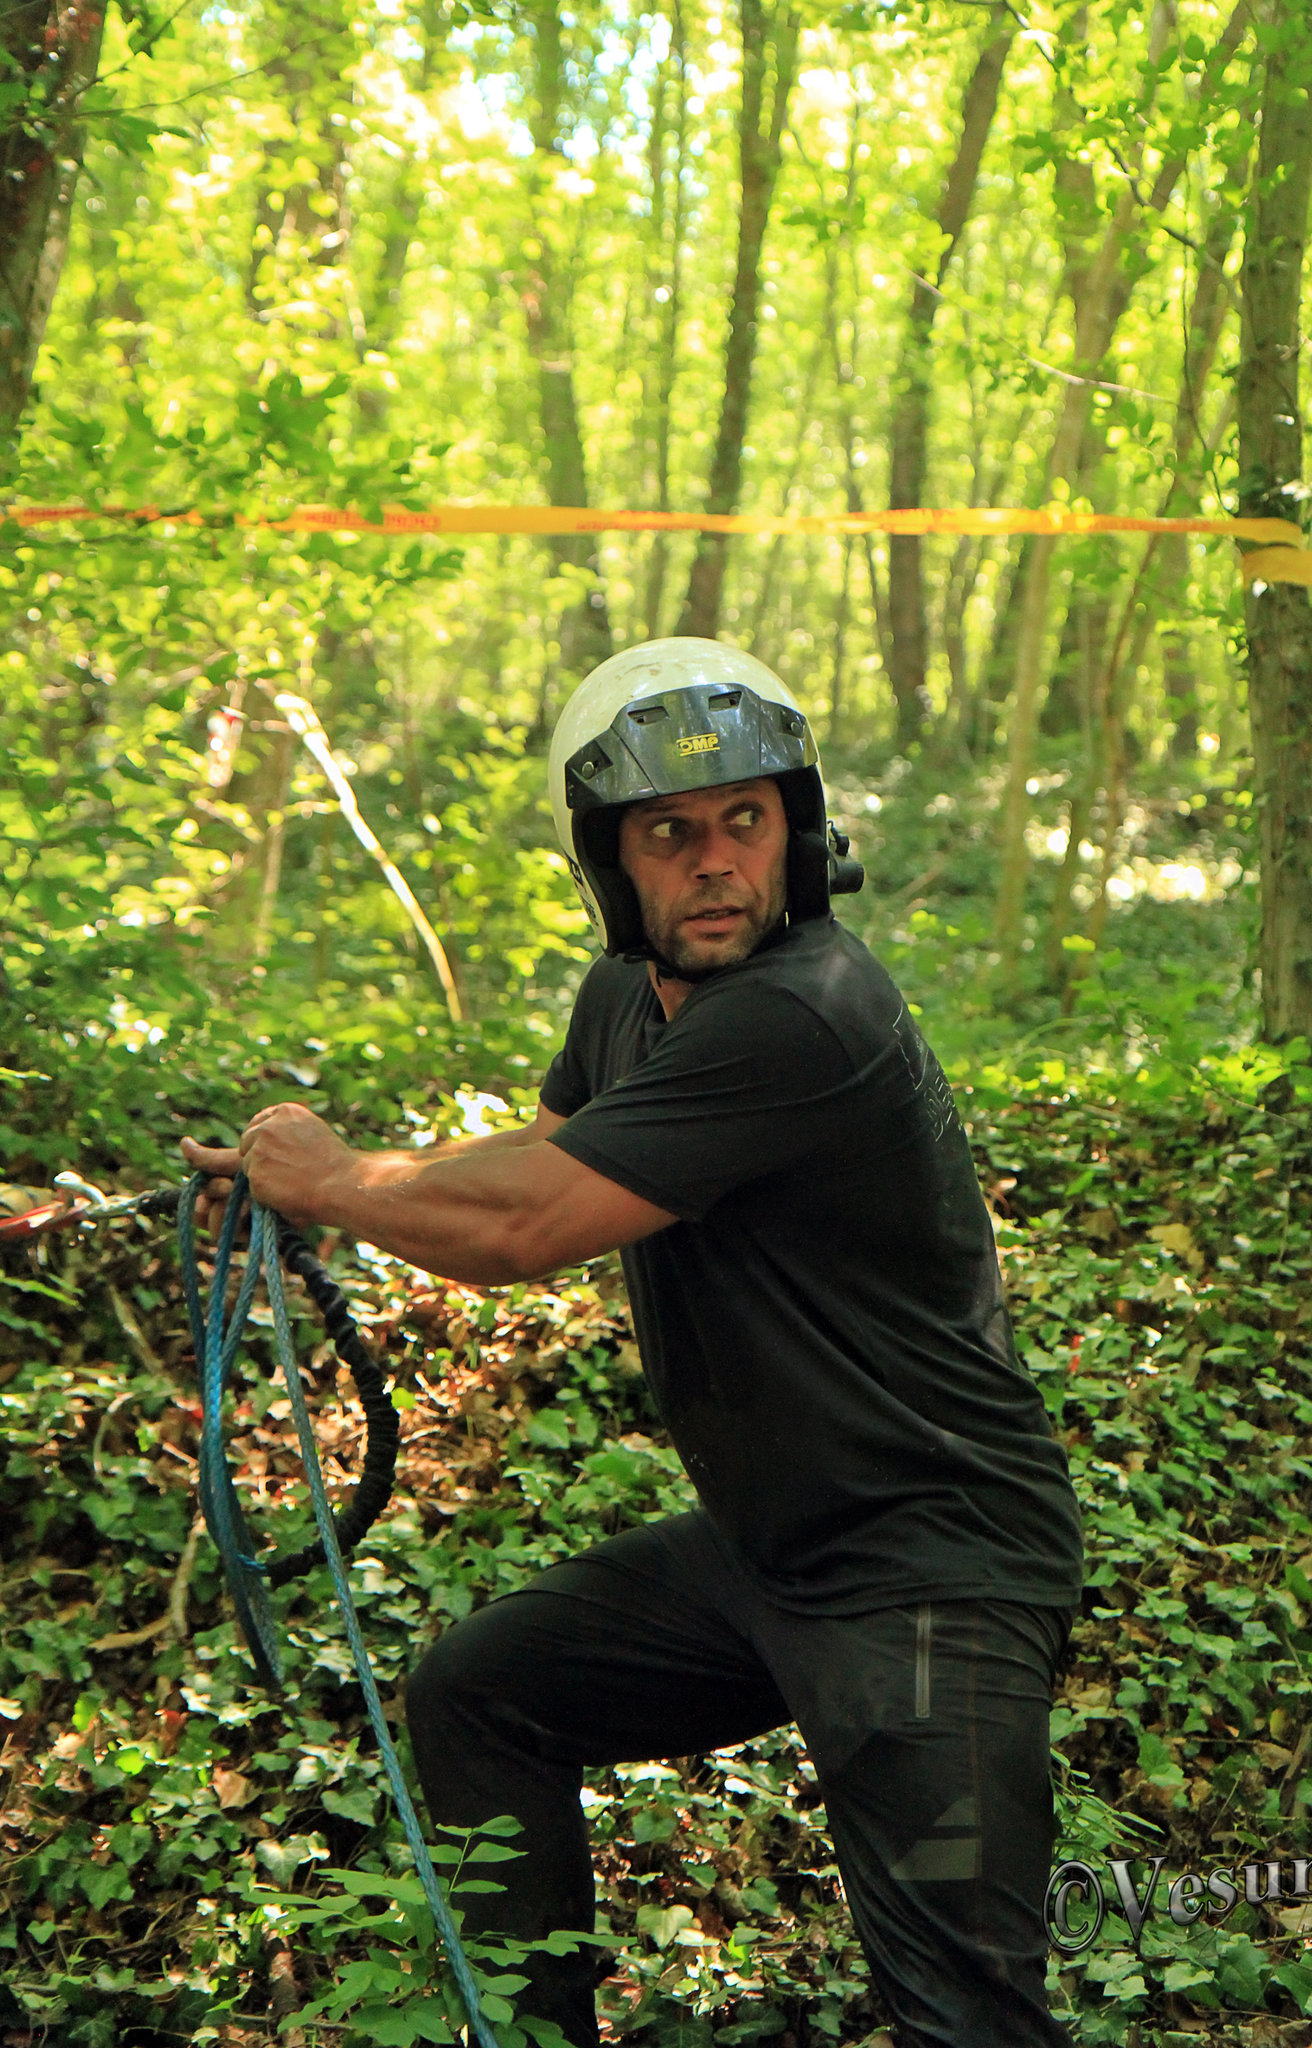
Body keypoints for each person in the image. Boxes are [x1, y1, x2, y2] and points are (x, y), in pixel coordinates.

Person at [184, 638, 1083, 2048]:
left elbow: (527, 1225)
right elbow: (547, 1153)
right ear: (610, 860)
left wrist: (340, 1181)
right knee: (485, 1693)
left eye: (744, 820)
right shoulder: (628, 997)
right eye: (668, 832)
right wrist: (319, 1179)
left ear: (797, 832)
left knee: (966, 2014)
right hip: (772, 1548)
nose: (714, 862)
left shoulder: (804, 1011)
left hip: (932, 1573)